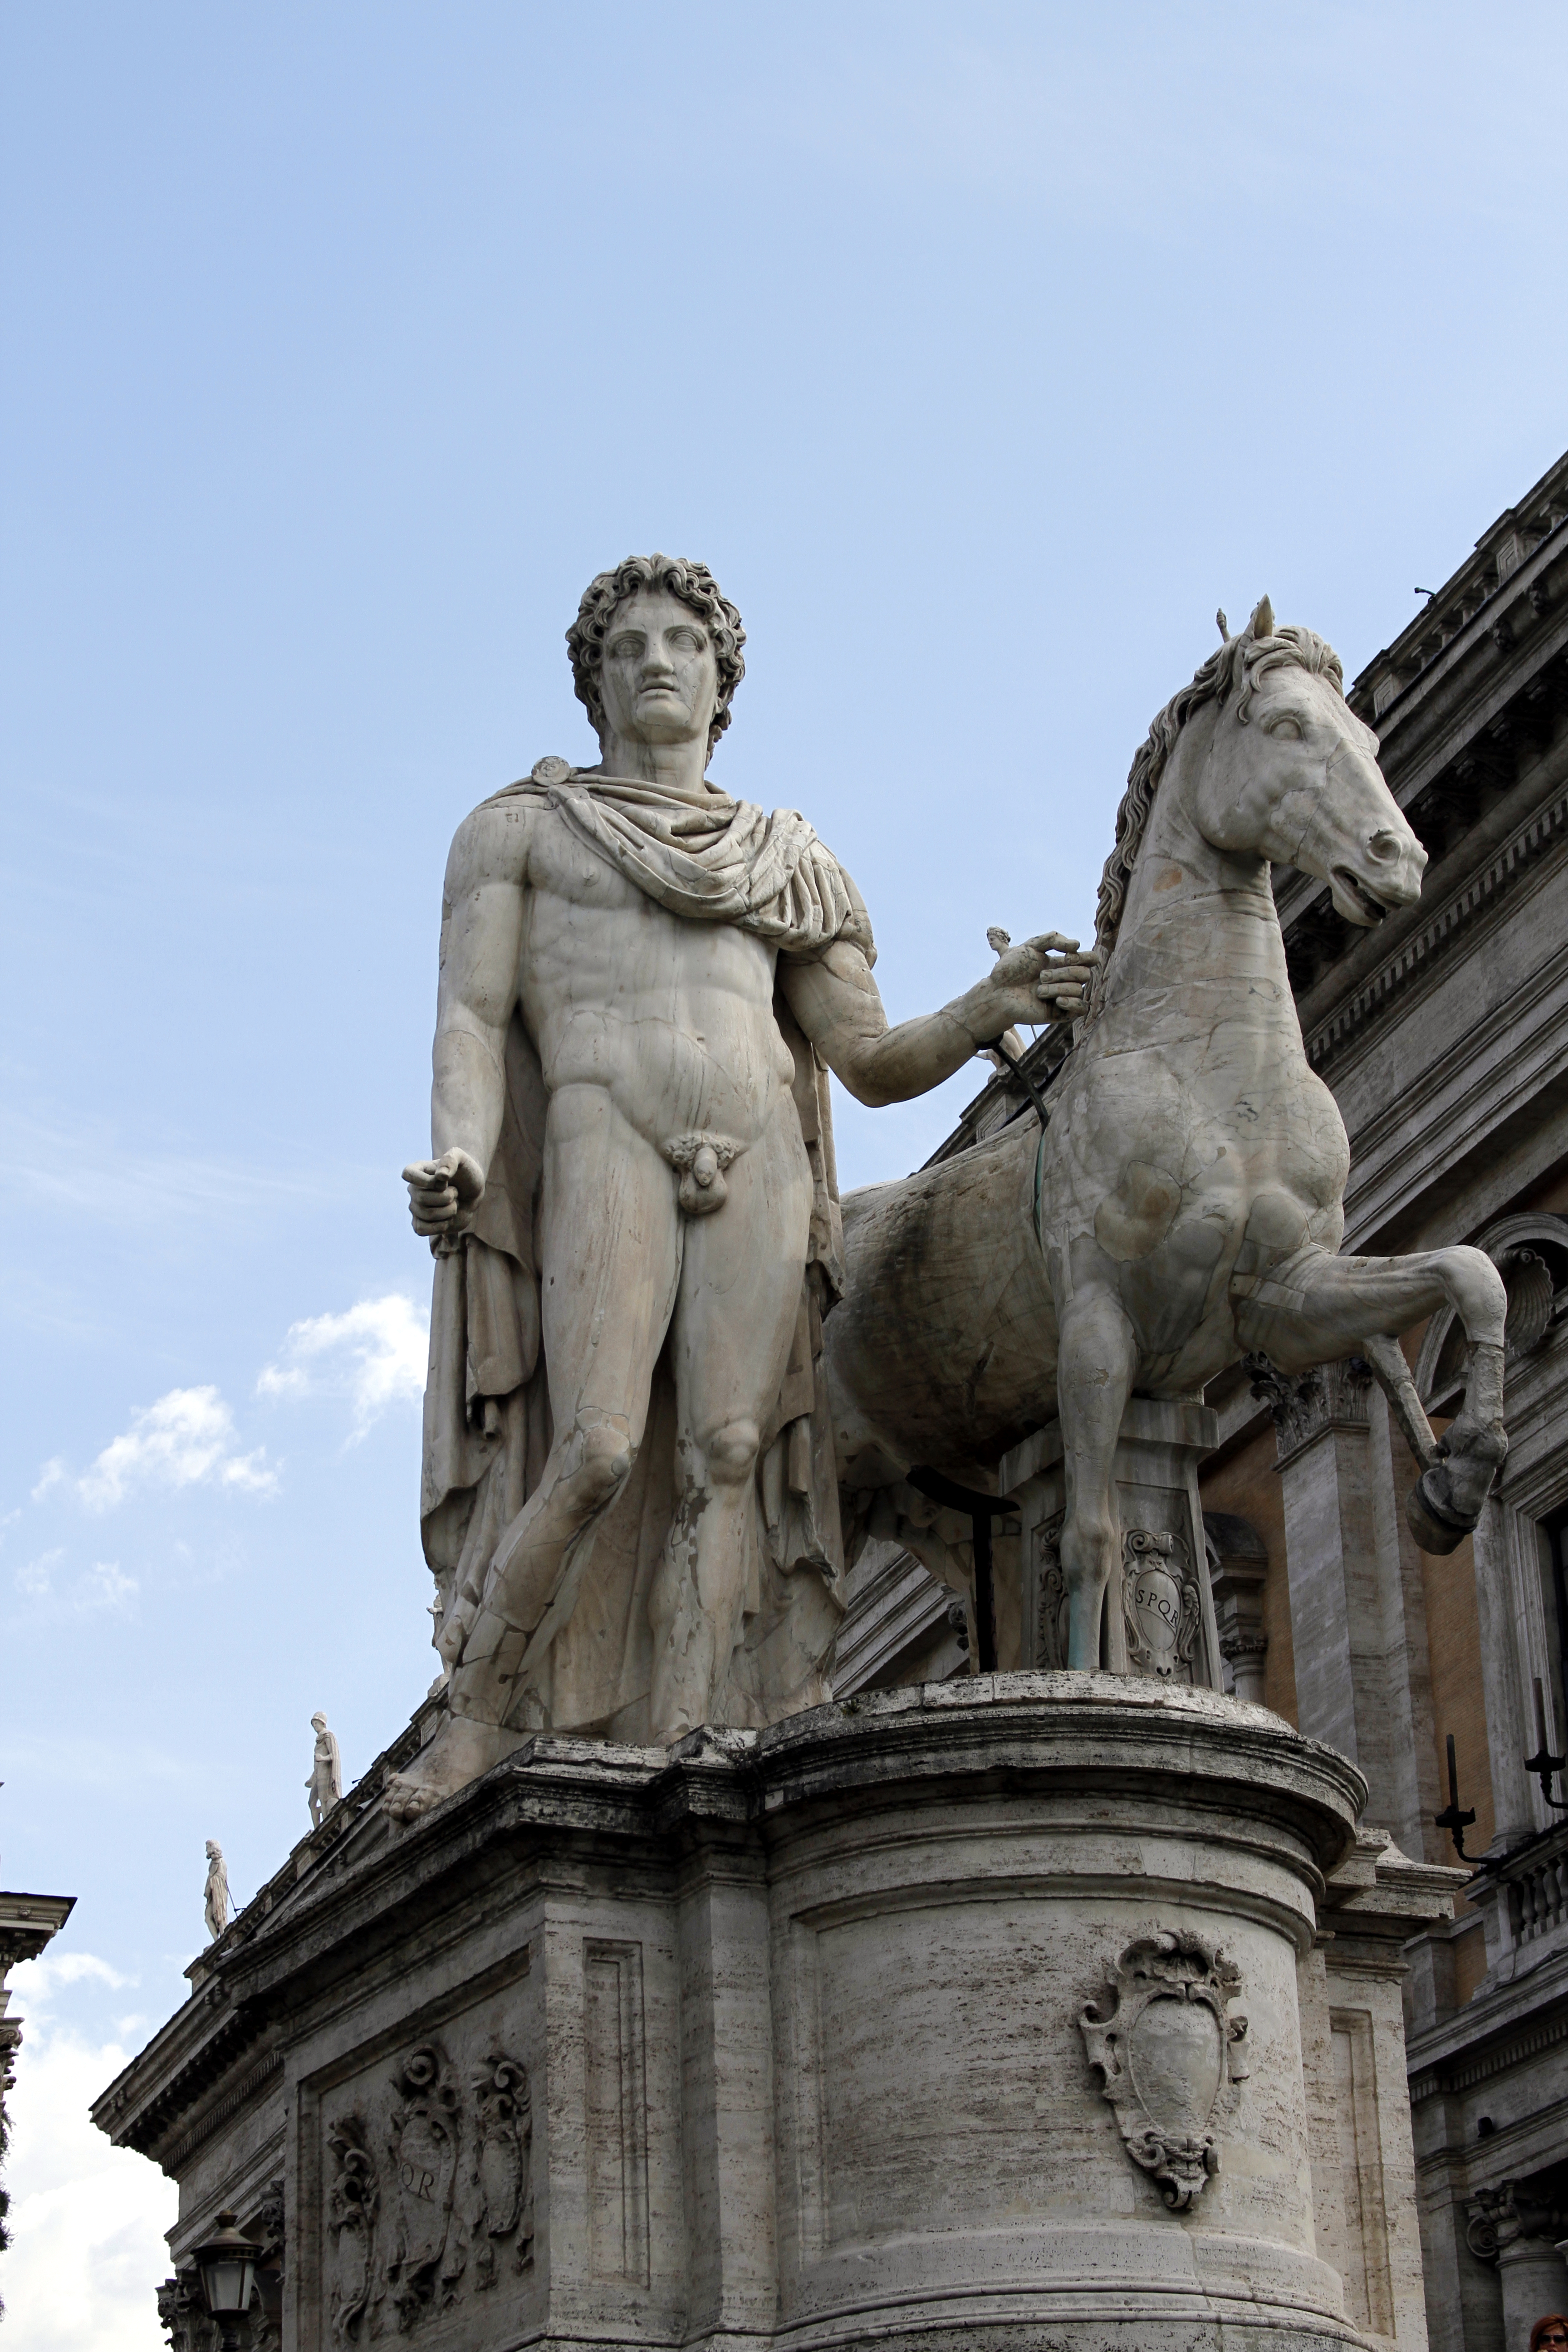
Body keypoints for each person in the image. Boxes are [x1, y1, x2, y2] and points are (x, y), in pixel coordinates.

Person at [387, 553, 1090, 1819]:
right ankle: (480, 1716)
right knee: (598, 1443)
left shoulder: (790, 857)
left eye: (683, 644)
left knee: (729, 1450)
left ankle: (700, 1733)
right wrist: (465, 1158)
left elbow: (868, 1062)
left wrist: (985, 1006)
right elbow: (472, 1025)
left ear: (722, 684)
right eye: (629, 647)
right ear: (594, 685)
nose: (658, 660)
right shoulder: (519, 832)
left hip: (759, 1143)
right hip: (606, 1126)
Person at [306, 1712, 343, 1829]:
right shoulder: (318, 1740)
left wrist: (322, 1758)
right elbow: (316, 1765)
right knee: (312, 1802)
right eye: (313, 1724)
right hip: (318, 1774)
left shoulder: (328, 1736)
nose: (315, 1726)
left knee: (323, 1799)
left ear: (322, 1723)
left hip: (325, 1773)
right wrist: (312, 1779)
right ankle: (318, 1828)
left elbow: (334, 1756)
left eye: (316, 1723)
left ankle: (326, 1825)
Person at [203, 1840, 228, 1942]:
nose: (206, 1850)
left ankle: (220, 1940)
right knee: (216, 1915)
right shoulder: (223, 1862)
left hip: (216, 1888)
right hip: (221, 1889)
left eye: (207, 1847)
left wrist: (207, 1890)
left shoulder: (216, 1860)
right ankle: (219, 1940)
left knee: (216, 1915)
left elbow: (211, 1876)